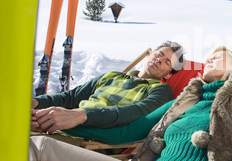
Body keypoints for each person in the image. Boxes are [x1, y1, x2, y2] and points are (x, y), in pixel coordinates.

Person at [27, 46, 232, 161]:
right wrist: (65, 120)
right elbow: (129, 131)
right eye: (208, 56)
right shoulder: (181, 103)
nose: (208, 59)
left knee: (38, 151)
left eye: (216, 56)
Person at [31, 41, 185, 134]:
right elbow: (70, 97)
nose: (159, 60)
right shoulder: (112, 76)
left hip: (91, 139)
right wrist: (35, 103)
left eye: (167, 62)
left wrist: (82, 115)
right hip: (62, 125)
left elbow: (133, 114)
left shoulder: (160, 91)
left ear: (168, 75)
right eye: (159, 54)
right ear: (148, 55)